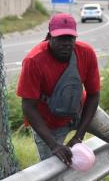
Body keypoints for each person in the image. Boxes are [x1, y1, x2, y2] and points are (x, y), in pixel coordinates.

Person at [16, 13, 100, 166]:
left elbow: (94, 95)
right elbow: (28, 106)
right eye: (61, 38)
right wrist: (54, 145)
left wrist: (79, 137)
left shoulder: (86, 53)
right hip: (50, 123)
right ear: (49, 37)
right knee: (56, 167)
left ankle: (96, 172)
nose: (66, 43)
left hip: (79, 110)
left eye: (70, 38)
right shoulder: (34, 61)